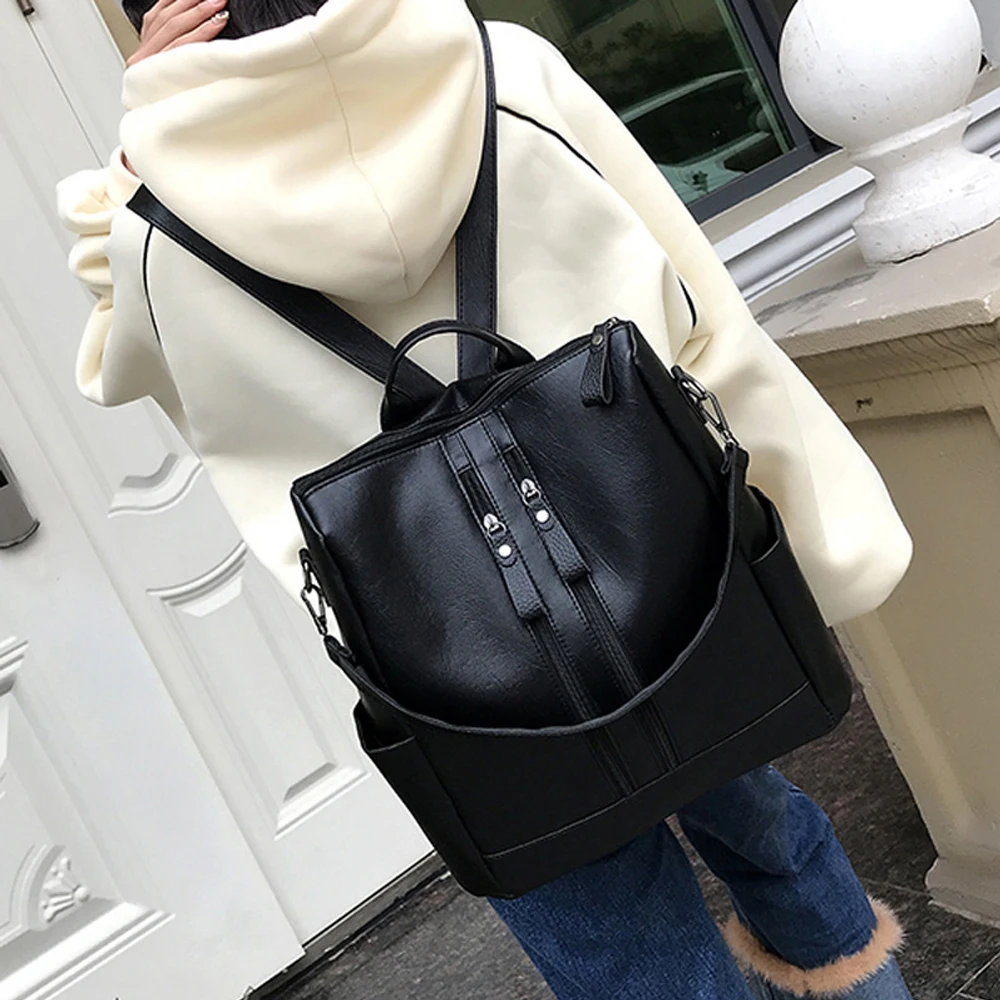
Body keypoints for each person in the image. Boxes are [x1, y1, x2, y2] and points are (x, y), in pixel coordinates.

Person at [57, 1, 915, 997]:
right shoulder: (506, 70)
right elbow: (697, 309)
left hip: (447, 656)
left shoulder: (153, 229)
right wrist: (796, 523)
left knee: (622, 947)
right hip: (661, 555)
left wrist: (140, 152)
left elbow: (136, 372)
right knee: (759, 819)